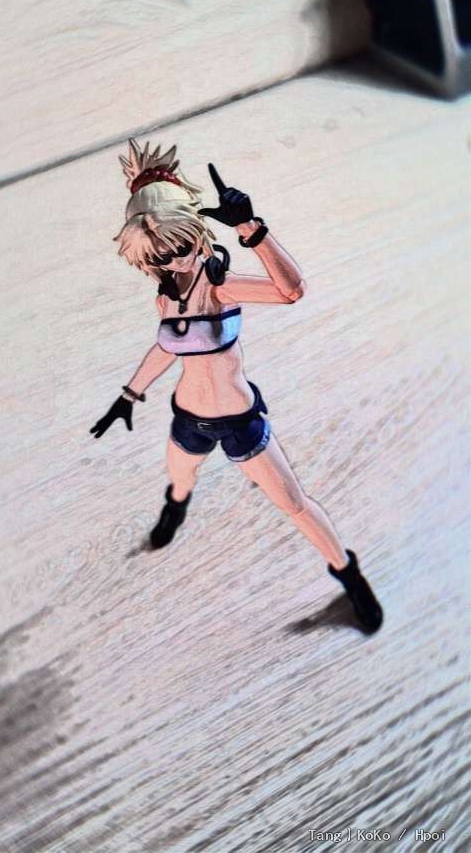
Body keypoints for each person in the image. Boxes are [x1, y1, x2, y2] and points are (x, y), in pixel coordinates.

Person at [90, 138, 383, 633]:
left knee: (294, 504)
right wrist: (128, 395)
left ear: (196, 232)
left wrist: (251, 228)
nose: (176, 261)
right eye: (162, 256)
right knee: (180, 478)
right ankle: (176, 508)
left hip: (238, 421)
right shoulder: (167, 296)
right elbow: (166, 347)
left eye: (182, 247)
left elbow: (291, 291)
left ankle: (348, 574)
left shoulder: (220, 284)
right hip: (188, 417)